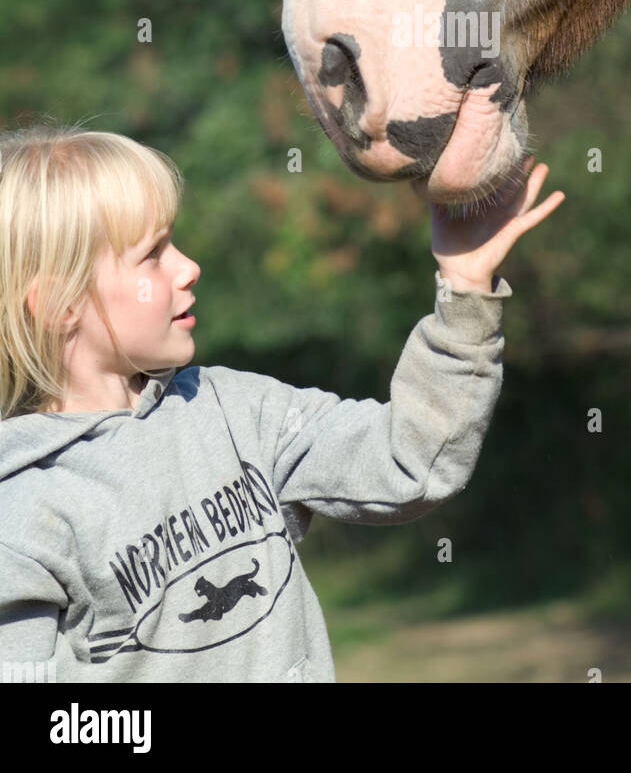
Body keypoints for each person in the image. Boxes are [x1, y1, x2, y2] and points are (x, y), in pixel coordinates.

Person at [0, 122, 563, 682]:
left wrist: (463, 291)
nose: (187, 268)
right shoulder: (22, 520)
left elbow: (410, 462)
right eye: (153, 255)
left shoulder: (236, 409)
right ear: (59, 305)